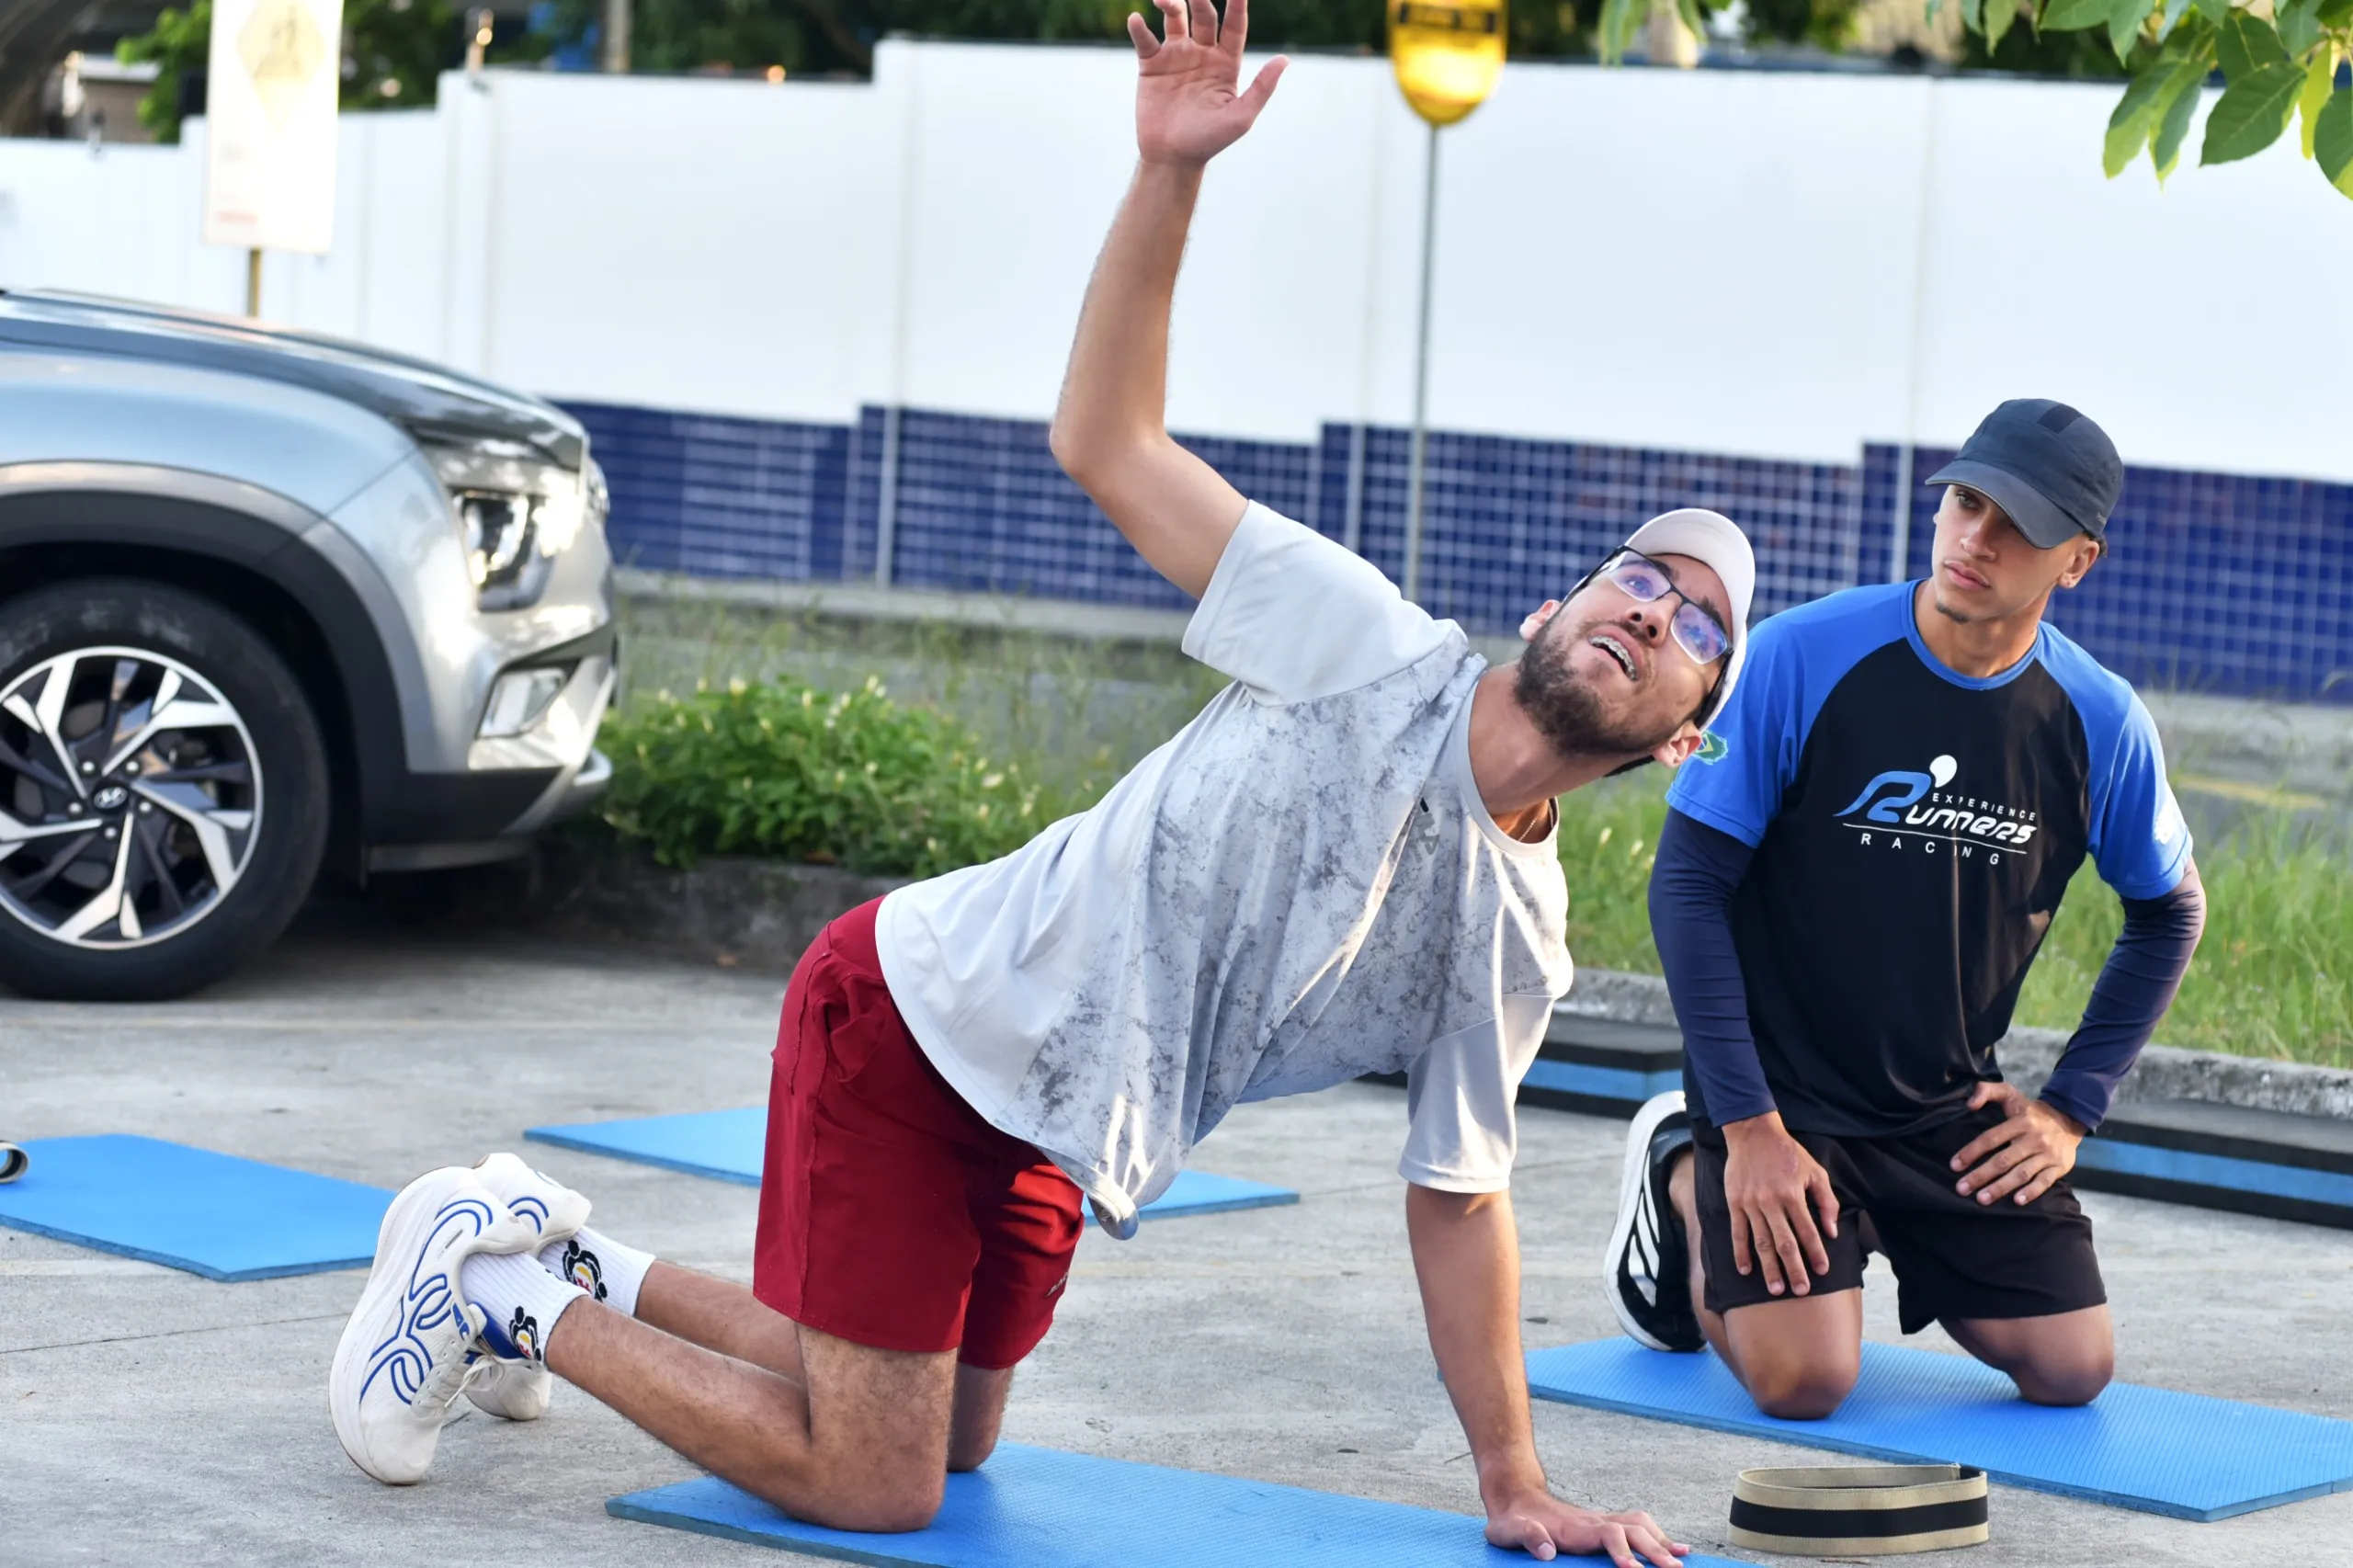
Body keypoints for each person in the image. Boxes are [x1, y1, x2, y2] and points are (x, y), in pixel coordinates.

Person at [328, 4, 1751, 1562]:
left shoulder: (1516, 937)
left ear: (1680, 736)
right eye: (1641, 574)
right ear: (1557, 604)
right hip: (921, 1023)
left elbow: (1462, 1195)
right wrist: (1170, 173)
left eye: (1700, 628)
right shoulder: (1361, 641)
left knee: (944, 1432)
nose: (1654, 612)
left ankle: (578, 1258)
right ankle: (490, 1286)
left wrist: (1514, 1483)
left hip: (1055, 1129)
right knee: (878, 1477)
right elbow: (1106, 437)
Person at [1603, 399, 2207, 1421]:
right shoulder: (1802, 654)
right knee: (1805, 1383)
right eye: (1967, 503)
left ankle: (1865, 1222)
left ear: (2078, 561)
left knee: (2071, 1370)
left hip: (1941, 1108)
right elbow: (1688, 881)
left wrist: (2069, 1108)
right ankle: (1680, 1176)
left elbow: (2169, 912)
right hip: (1778, 1097)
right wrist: (1745, 1125)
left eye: (2018, 525)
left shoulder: (2099, 719)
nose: (1977, 539)